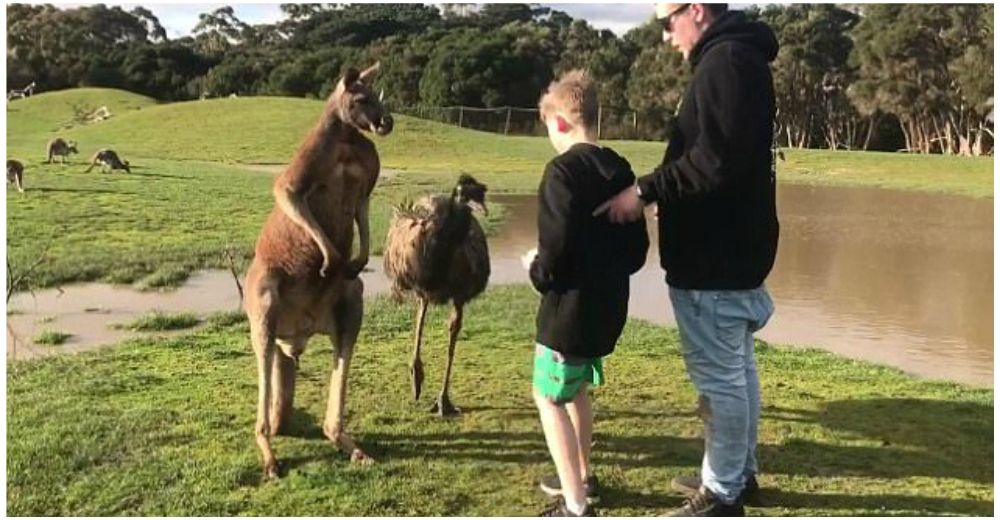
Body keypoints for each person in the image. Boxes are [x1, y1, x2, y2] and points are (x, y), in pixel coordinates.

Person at [601, 4, 779, 517]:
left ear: (695, 9)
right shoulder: (738, 57)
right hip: (732, 249)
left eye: (667, 20)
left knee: (721, 378)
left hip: (715, 256)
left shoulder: (725, 62)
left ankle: (722, 495)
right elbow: (717, 156)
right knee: (737, 369)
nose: (664, 35)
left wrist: (644, 192)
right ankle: (736, 477)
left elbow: (713, 162)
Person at [526, 69, 649, 517]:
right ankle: (581, 476)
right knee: (577, 390)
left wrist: (534, 270)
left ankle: (575, 504)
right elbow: (637, 252)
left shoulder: (561, 171)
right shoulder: (621, 169)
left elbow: (553, 251)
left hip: (567, 314)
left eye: (549, 130)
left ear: (559, 122)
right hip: (607, 310)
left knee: (549, 397)